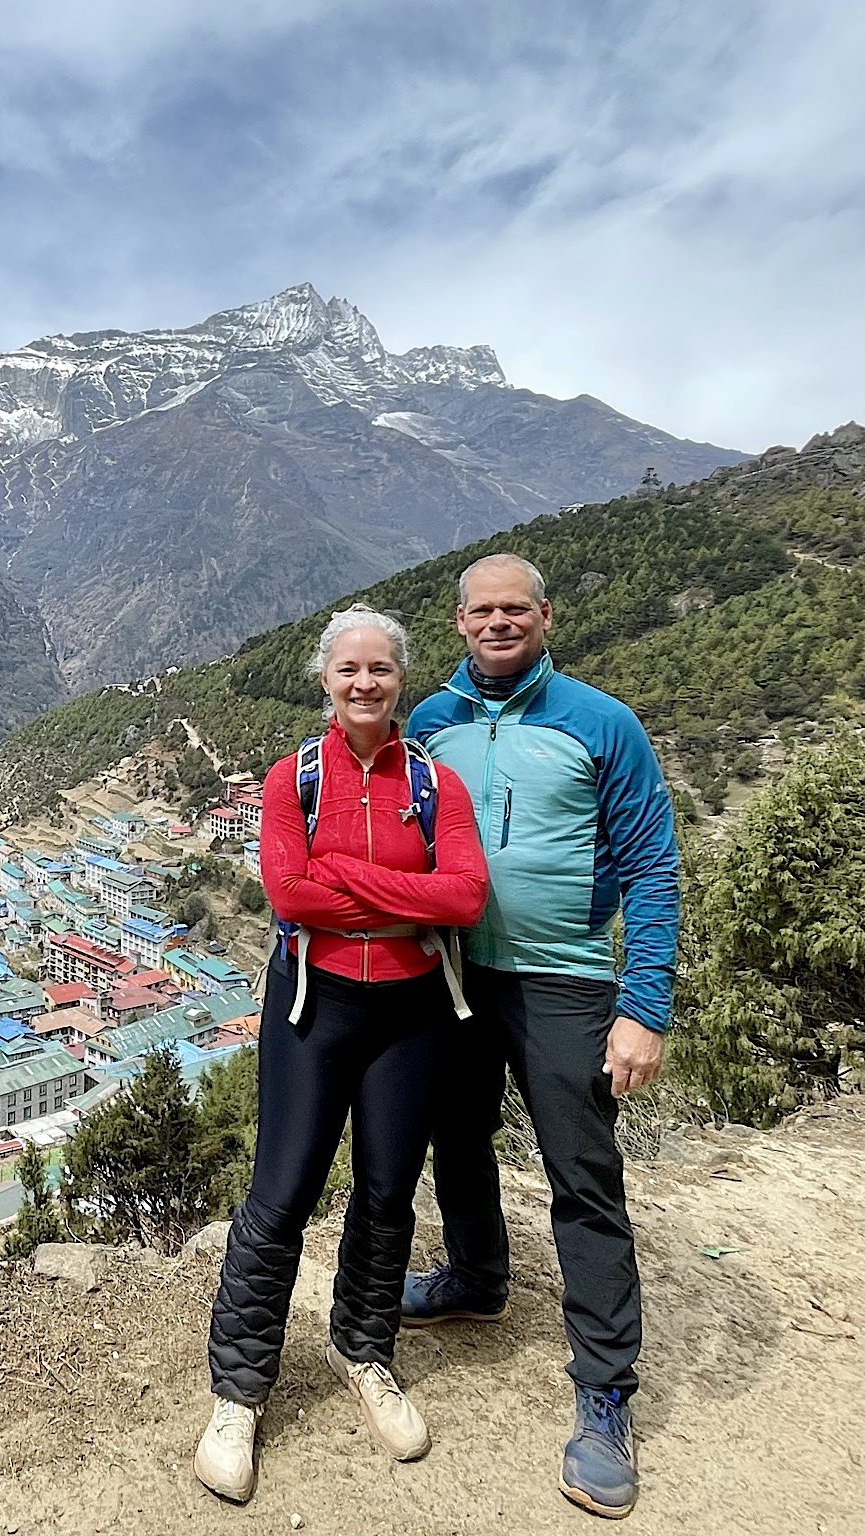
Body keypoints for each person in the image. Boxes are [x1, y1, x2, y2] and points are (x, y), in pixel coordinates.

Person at [403, 552, 681, 1521]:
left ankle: (603, 1390)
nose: (495, 623)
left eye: (511, 609)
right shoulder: (427, 725)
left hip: (564, 977)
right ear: (456, 622)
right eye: (479, 610)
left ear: (542, 616)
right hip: (455, 973)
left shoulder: (600, 724)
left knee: (580, 1175)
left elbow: (650, 861)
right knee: (455, 1134)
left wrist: (642, 1005)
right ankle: (477, 1276)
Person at [195, 605, 488, 1504]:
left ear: (403, 679)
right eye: (349, 669)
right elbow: (288, 891)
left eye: (382, 669)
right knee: (279, 1195)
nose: (366, 683)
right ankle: (239, 1392)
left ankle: (365, 1349)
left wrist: (346, 886)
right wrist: (410, 900)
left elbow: (468, 895)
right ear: (324, 680)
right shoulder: (295, 779)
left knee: (387, 1191)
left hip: (410, 1014)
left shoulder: (437, 785)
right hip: (311, 1008)